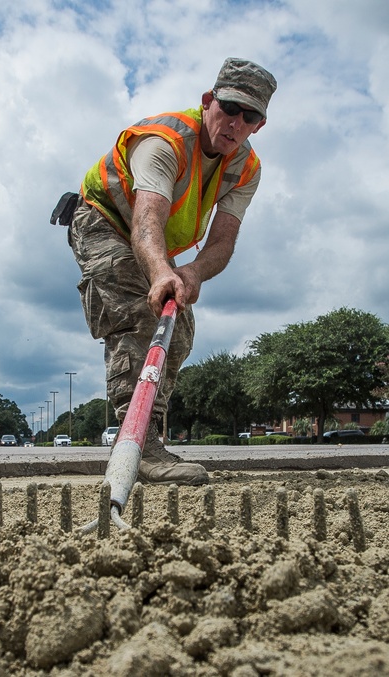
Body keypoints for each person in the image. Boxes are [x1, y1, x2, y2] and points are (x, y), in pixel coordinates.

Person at [56, 57, 277, 486]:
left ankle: (146, 435)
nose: (235, 122)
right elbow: (147, 221)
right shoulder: (166, 140)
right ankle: (137, 446)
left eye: (248, 116)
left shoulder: (246, 169)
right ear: (208, 101)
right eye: (229, 108)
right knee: (140, 313)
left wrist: (192, 273)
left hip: (153, 241)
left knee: (180, 327)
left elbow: (223, 240)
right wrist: (162, 273)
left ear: (258, 125)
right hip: (106, 221)